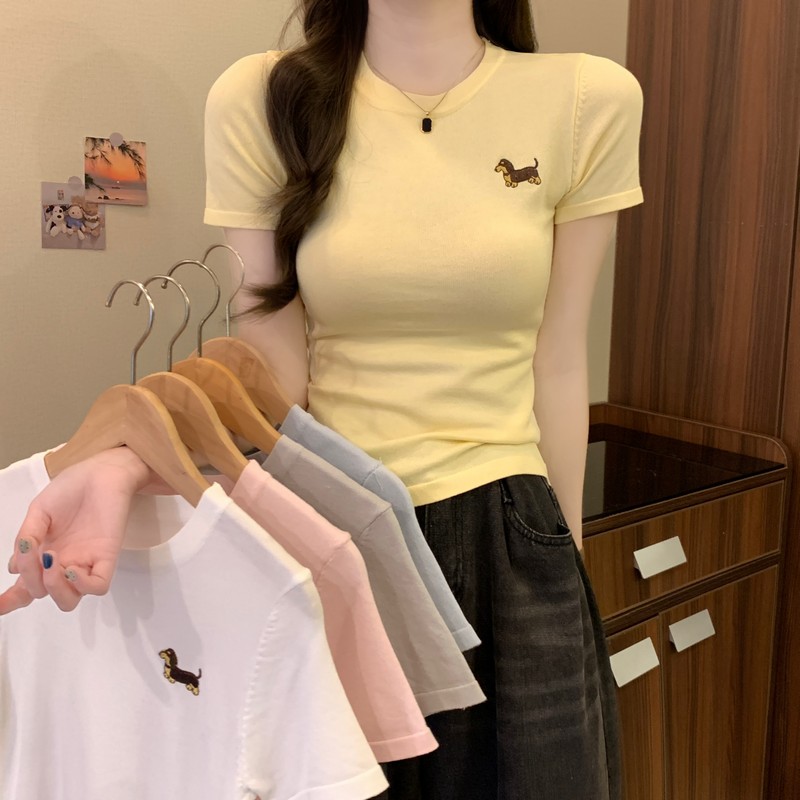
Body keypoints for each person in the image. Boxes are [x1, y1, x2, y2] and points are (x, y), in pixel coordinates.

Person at [4, 0, 643, 797]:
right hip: (340, 532)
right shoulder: (262, 98)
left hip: (513, 534)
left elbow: (559, 359)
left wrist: (566, 567)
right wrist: (130, 459)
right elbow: (266, 378)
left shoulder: (588, 99)